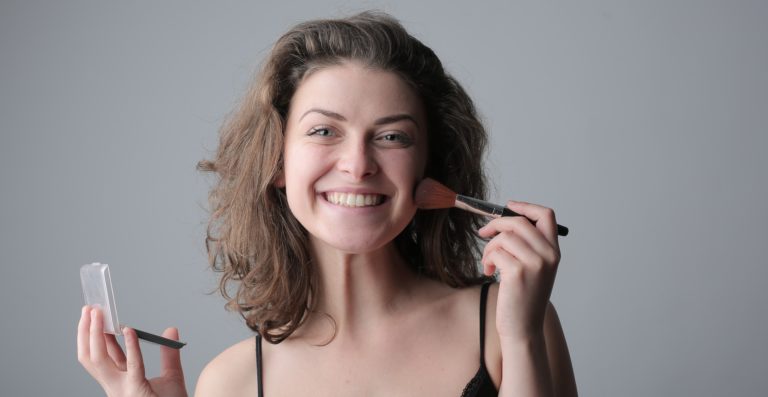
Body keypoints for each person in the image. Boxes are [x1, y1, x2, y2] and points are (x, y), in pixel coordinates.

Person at [77, 11, 577, 397]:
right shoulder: (231, 383)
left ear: (429, 168)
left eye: (392, 136)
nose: (358, 164)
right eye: (323, 131)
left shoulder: (510, 321)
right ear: (276, 162)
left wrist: (521, 338)